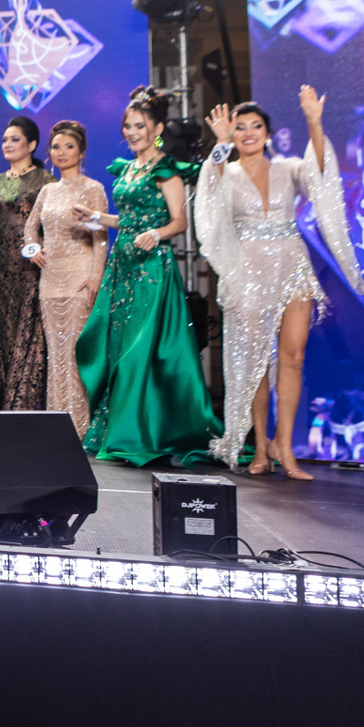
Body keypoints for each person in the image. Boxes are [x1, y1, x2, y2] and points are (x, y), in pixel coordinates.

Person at [194, 91, 364, 475]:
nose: (248, 133)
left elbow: (320, 171)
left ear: (268, 134)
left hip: (292, 267)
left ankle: (284, 447)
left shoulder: (287, 168)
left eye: (256, 126)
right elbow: (209, 194)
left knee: (292, 356)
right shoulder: (226, 170)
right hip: (248, 272)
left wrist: (314, 121)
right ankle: (260, 447)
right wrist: (221, 143)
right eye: (240, 127)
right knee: (255, 361)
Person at [74, 86, 219, 466]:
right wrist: (96, 218)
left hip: (152, 269)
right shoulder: (128, 168)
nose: (132, 132)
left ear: (156, 129)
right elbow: (129, 220)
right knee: (118, 348)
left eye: (139, 126)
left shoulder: (165, 168)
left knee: (141, 351)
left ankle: (140, 433)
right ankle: (121, 429)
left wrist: (156, 234)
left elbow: (179, 222)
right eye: (128, 126)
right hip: (122, 267)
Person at [23, 121, 106, 434]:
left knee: (75, 355)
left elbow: (100, 237)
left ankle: (81, 427)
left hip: (80, 278)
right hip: (50, 280)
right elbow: (30, 227)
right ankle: (59, 428)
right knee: (56, 356)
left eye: (69, 146)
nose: (61, 152)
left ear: (82, 152)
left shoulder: (93, 188)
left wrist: (96, 277)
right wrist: (33, 248)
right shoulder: (47, 190)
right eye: (56, 147)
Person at [0, 117, 53, 411]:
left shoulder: (45, 180)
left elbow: (51, 225)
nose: (7, 145)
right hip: (2, 268)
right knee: (4, 331)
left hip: (31, 265)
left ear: (32, 145)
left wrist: (42, 250)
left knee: (30, 329)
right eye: (4, 140)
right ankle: (2, 402)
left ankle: (23, 402)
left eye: (15, 139)